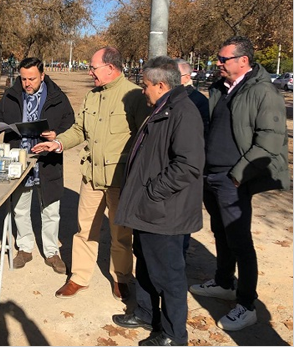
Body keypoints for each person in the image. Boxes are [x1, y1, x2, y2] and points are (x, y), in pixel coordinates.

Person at [31, 46, 149, 301]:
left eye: (93, 68)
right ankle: (79, 278)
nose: (90, 72)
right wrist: (58, 143)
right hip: (91, 178)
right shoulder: (91, 96)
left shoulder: (135, 96)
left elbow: (145, 138)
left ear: (110, 68)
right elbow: (79, 130)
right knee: (84, 230)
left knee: (121, 234)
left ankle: (121, 278)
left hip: (120, 181)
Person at [189, 36, 289, 331]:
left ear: (242, 60)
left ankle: (246, 304)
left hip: (234, 179)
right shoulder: (219, 88)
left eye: (223, 59)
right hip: (212, 174)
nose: (217, 63)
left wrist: (236, 175)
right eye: (218, 59)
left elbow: (269, 142)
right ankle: (224, 282)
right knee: (220, 232)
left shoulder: (263, 92)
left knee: (240, 241)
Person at [112, 56, 205, 346]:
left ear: (161, 85)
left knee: (168, 276)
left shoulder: (183, 111)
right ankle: (145, 312)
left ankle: (173, 335)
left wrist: (153, 192)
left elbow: (189, 165)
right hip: (149, 211)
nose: (143, 90)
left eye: (146, 85)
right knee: (148, 266)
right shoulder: (163, 108)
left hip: (164, 213)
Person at [0, 57, 74, 274]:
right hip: (19, 160)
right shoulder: (12, 95)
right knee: (20, 208)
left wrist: (56, 134)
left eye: (32, 78)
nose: (27, 83)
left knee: (50, 209)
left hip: (47, 162)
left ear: (42, 76)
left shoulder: (57, 98)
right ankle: (25, 248)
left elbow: (70, 123)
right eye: (23, 79)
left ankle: (51, 252)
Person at [175, 58, 210, 260]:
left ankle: (180, 257)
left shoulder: (198, 101)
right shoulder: (168, 98)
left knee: (183, 216)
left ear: (187, 77)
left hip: (188, 168)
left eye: (174, 75)